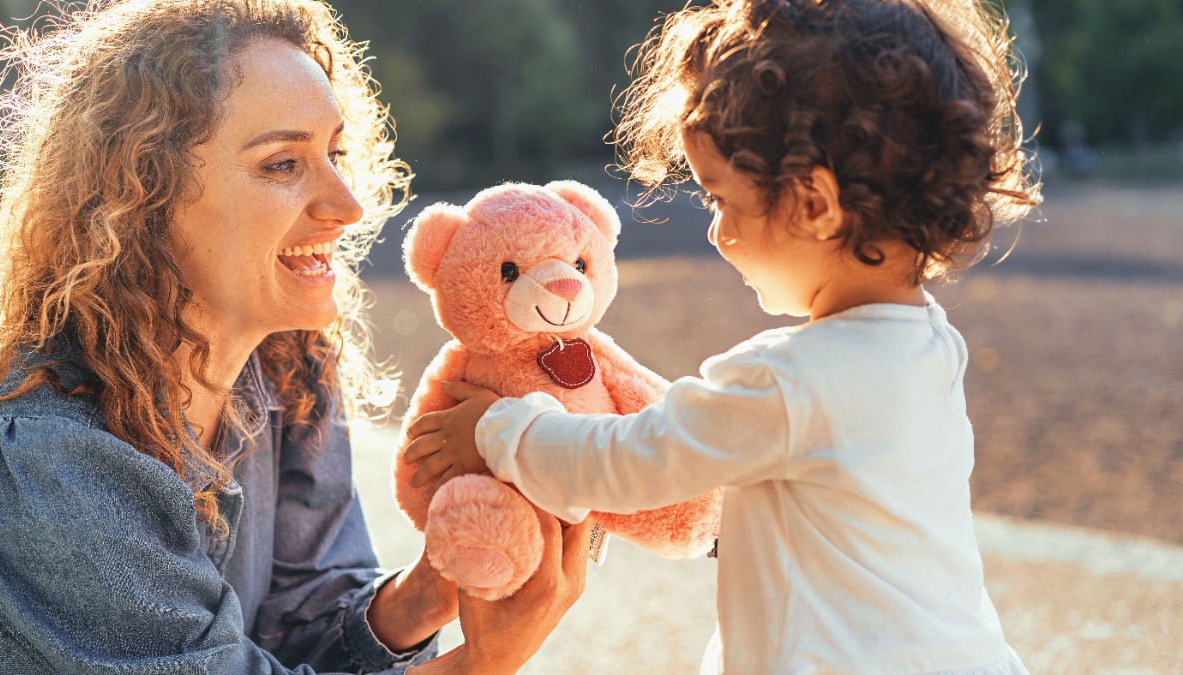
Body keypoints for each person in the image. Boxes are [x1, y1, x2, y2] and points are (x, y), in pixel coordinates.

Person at [404, 0, 1041, 672]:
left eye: (721, 199)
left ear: (814, 204)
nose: (715, 231)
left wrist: (498, 428)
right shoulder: (932, 349)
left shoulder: (786, 383)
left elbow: (627, 462)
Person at [0, 1, 586, 673]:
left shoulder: (286, 369)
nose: (350, 207)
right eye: (282, 163)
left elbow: (300, 622)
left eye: (335, 152)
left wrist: (431, 589)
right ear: (142, 195)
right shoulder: (45, 456)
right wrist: (480, 664)